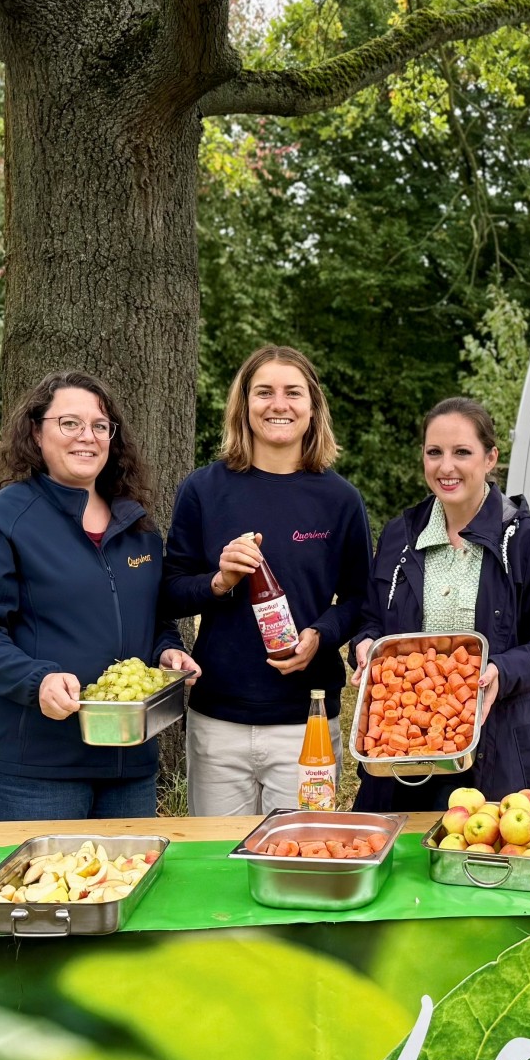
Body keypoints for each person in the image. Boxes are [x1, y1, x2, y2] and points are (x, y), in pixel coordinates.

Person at [0, 371, 200, 820]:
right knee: (50, 873)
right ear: (35, 432)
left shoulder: (136, 525)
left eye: (100, 426)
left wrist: (167, 651)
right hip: (33, 766)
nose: (87, 436)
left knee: (132, 868)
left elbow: (154, 618)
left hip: (128, 761)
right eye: (70, 423)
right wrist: (37, 680)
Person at [163, 345, 371, 815]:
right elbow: (171, 592)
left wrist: (321, 635)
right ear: (244, 404)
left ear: (313, 406)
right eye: (264, 392)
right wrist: (219, 581)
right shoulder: (203, 490)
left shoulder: (340, 499)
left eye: (293, 392)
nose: (279, 405)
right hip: (218, 720)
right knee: (219, 856)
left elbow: (362, 599)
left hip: (307, 720)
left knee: (302, 854)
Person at [352, 397, 530, 812]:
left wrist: (502, 671)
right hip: (401, 748)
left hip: (497, 751)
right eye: (434, 452)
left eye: (462, 452)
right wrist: (366, 645)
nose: (446, 467)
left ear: (490, 458)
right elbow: (372, 617)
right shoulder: (399, 537)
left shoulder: (528, 542)